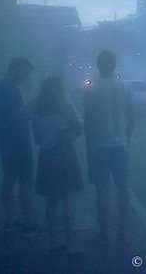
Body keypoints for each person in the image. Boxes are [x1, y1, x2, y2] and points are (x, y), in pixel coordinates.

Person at [84, 50, 134, 244]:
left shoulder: (92, 89)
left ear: (98, 65)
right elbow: (131, 116)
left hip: (99, 146)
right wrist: (127, 139)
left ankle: (104, 231)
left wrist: (89, 146)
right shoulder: (124, 87)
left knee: (102, 191)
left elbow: (88, 121)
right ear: (114, 65)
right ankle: (123, 230)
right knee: (123, 189)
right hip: (120, 145)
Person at [31, 77, 83, 255]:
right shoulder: (66, 109)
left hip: (46, 157)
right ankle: (70, 244)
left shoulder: (37, 112)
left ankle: (52, 241)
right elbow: (79, 129)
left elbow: (37, 139)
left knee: (51, 202)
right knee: (68, 202)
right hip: (65, 157)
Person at [0, 57, 40, 234]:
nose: (26, 77)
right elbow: (17, 115)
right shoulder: (9, 89)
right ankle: (27, 222)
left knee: (10, 179)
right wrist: (34, 105)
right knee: (25, 180)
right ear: (17, 69)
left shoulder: (4, 87)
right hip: (15, 141)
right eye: (25, 72)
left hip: (7, 140)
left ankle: (10, 221)